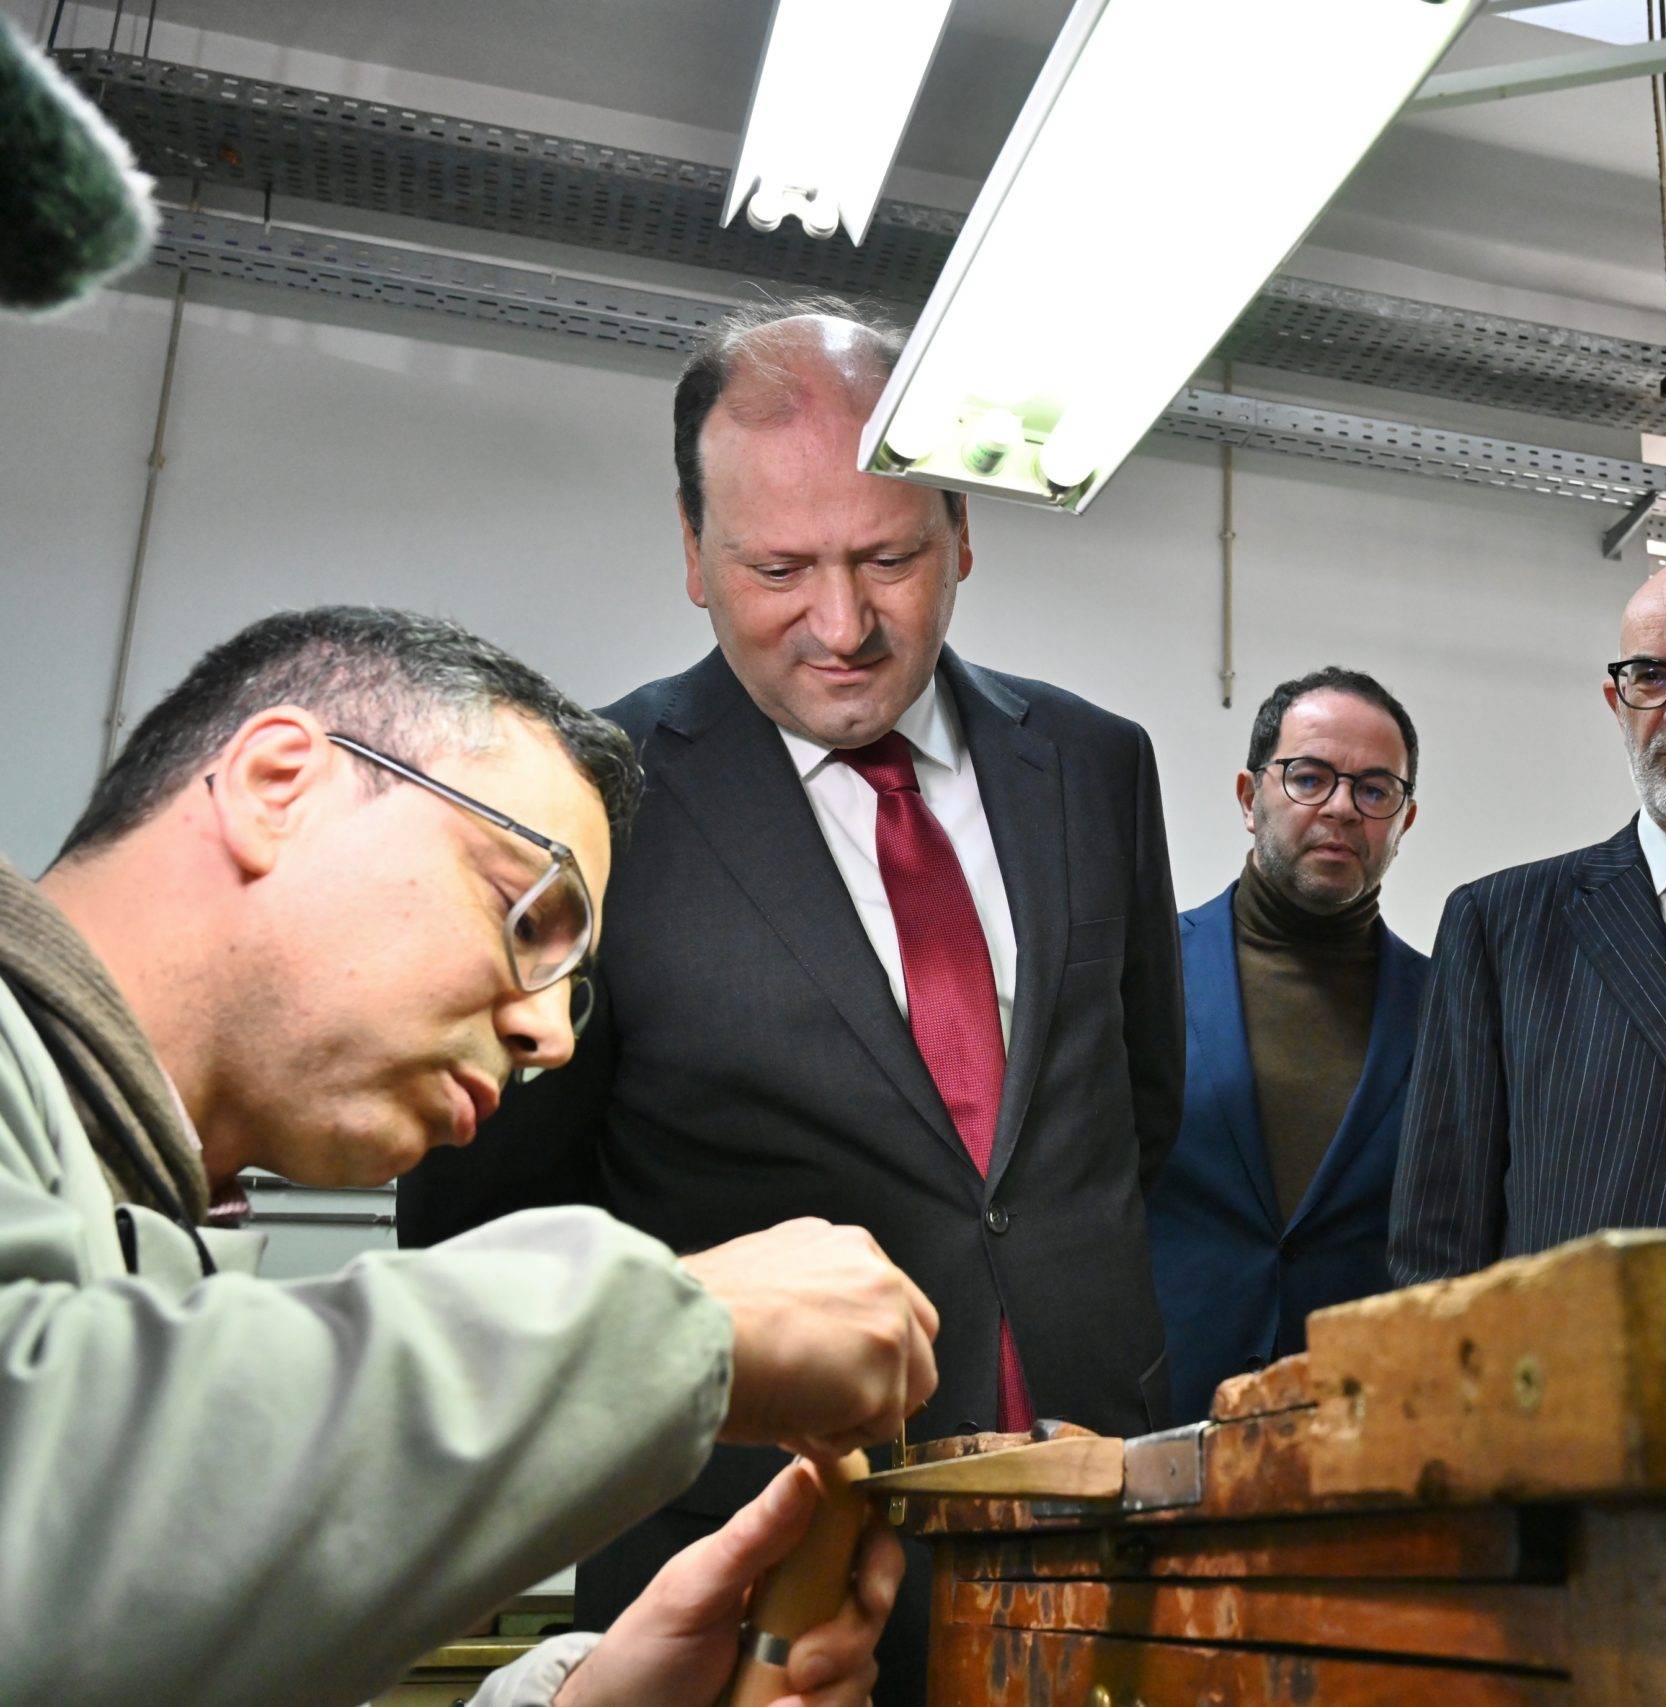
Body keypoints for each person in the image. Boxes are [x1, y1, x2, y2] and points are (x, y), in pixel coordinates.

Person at [397, 297, 1184, 1694]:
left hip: (1095, 1529)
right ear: (693, 553)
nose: (843, 624)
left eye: (889, 557)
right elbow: (492, 1224)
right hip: (754, 1571)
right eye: (778, 567)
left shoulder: (1094, 765)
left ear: (962, 531)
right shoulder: (584, 806)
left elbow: (1140, 1111)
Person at [0, 606, 929, 1705]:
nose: (551, 1036)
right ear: (276, 786)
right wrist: (677, 1322)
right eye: (527, 918)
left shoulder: (141, 1230)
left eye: (573, 982)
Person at [1390, 555, 1666, 1285]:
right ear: (1617, 703)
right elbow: (1438, 1238)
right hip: (1597, 1353)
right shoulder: (1501, 929)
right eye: (1650, 676)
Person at [1148, 669, 1429, 1422]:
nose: (1341, 807)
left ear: (1404, 821)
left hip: (1365, 1427)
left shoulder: (1449, 1008)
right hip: (1163, 1423)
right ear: (1249, 798)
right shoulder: (1143, 972)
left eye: (1375, 789)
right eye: (1309, 778)